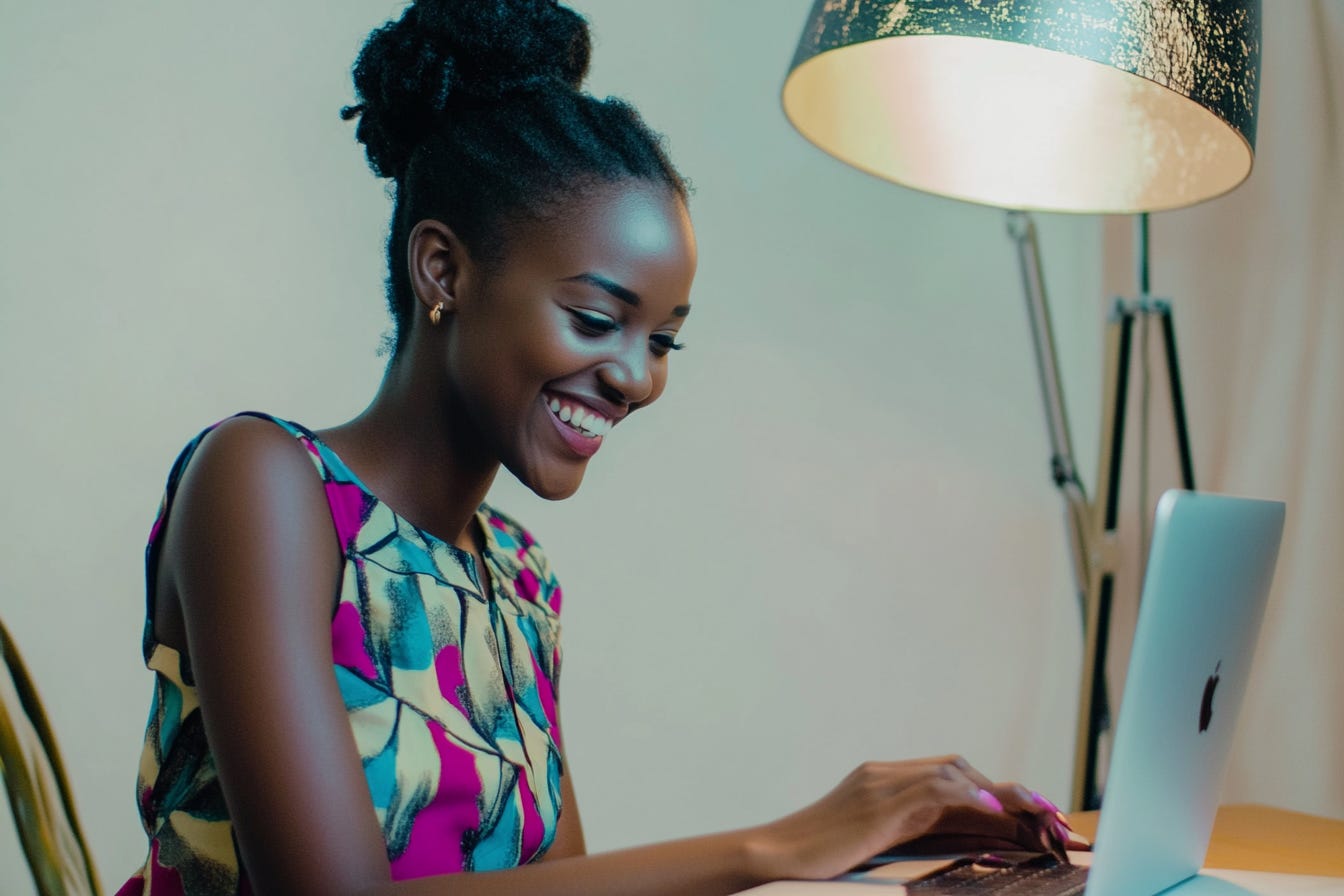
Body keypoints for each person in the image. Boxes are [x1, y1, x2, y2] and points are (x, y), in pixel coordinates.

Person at [117, 2, 1080, 894]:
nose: (637, 377)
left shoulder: (521, 582)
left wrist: (880, 846)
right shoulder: (264, 484)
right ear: (441, 269)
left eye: (662, 340)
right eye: (594, 318)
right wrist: (781, 846)